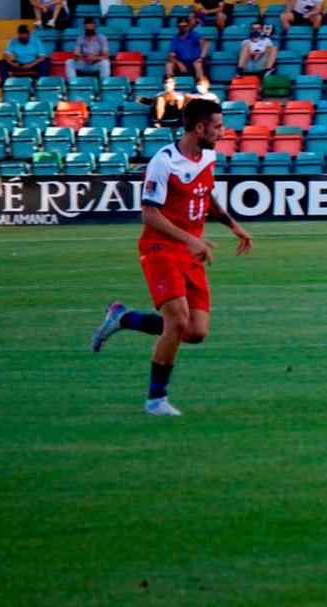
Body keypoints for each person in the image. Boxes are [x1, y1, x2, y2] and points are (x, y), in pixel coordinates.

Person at [90, 99, 254, 416]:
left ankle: (122, 318)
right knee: (178, 320)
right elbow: (149, 214)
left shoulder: (208, 156)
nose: (222, 131)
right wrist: (191, 239)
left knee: (196, 332)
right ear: (199, 127)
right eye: (218, 126)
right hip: (160, 247)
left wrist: (233, 225)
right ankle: (156, 401)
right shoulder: (163, 162)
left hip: (190, 249)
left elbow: (205, 198)